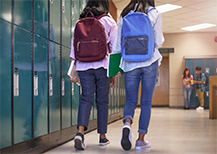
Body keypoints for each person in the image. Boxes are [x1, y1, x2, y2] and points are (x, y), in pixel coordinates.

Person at [112, 0, 164, 151]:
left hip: (129, 62)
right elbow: (159, 41)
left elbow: (117, 44)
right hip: (149, 61)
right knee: (146, 102)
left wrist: (117, 67)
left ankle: (127, 124)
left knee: (130, 100)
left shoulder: (125, 13)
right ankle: (141, 141)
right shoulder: (154, 13)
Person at [69, 0, 117, 150]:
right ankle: (102, 137)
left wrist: (73, 70)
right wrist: (113, 73)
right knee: (102, 101)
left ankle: (80, 133)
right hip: (102, 65)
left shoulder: (80, 21)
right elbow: (114, 50)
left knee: (86, 99)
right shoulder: (109, 21)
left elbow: (74, 49)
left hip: (83, 66)